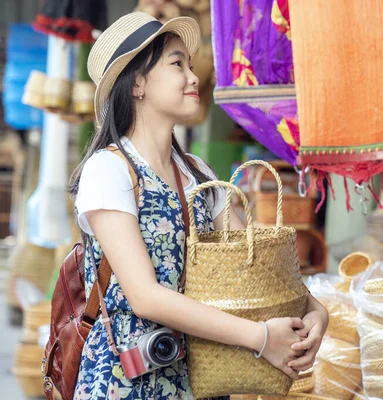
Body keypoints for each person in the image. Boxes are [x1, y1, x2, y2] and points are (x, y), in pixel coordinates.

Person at [70, 12, 328, 399]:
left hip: (200, 384)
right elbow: (145, 296)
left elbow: (256, 261)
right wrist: (260, 338)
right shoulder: (108, 170)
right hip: (123, 385)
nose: (194, 77)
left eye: (190, 65)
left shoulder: (197, 173)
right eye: (177, 64)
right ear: (137, 83)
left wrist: (314, 309)